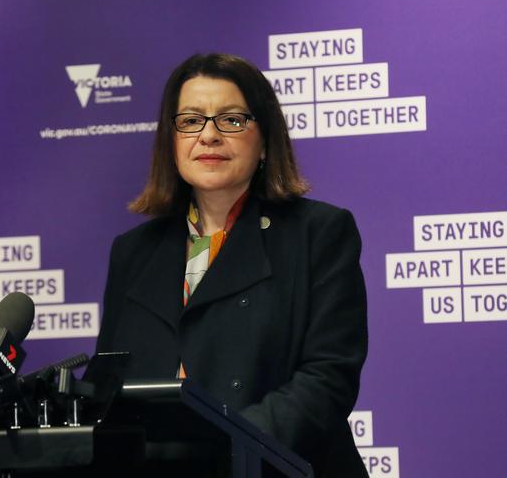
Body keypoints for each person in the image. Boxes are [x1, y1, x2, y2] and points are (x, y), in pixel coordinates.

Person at [96, 53, 368, 477]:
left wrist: (228, 444)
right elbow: (110, 385)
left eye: (232, 120)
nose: (208, 136)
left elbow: (326, 378)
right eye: (189, 120)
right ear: (170, 141)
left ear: (264, 140)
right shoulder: (132, 251)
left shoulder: (319, 232)